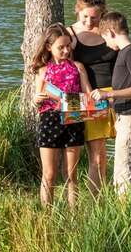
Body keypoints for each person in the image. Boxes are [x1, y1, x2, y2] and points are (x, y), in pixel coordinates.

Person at [32, 23, 92, 207]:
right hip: (49, 121)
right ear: (49, 47)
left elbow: (88, 96)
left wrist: (81, 101)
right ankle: (47, 216)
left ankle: (74, 217)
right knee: (49, 174)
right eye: (61, 47)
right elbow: (36, 101)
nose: (66, 50)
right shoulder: (43, 71)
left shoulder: (78, 67)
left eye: (68, 46)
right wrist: (36, 99)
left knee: (71, 174)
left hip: (73, 119)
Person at [91, 12, 131, 195]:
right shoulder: (124, 53)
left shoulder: (130, 53)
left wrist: (109, 94)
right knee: (122, 172)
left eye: (105, 38)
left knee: (124, 176)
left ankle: (127, 220)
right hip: (124, 117)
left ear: (111, 32)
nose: (106, 43)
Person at [67, 0, 118, 195]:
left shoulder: (110, 30)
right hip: (83, 97)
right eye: (85, 16)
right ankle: (95, 204)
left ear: (103, 13)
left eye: (95, 17)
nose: (89, 22)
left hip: (114, 94)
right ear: (78, 11)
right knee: (95, 155)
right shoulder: (69, 34)